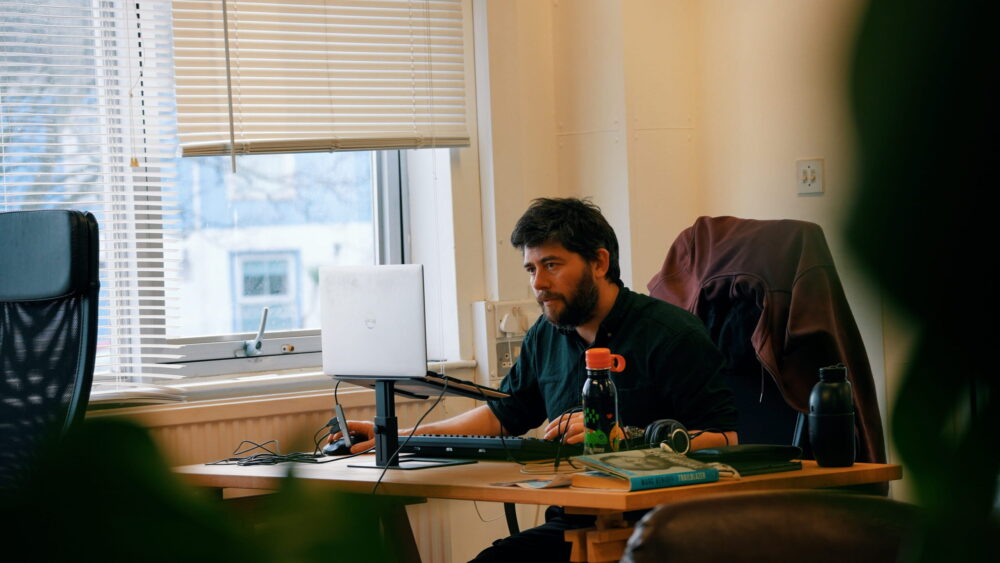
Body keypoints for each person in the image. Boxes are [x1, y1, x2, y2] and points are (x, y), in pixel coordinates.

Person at [336, 197, 737, 561]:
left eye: (552, 265)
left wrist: (629, 439)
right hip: (576, 521)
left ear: (599, 263)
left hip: (663, 526)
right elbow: (501, 415)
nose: (538, 285)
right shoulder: (546, 335)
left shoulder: (671, 334)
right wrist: (397, 437)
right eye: (531, 269)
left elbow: (728, 439)